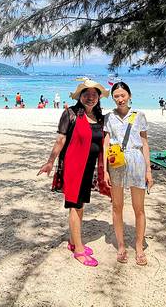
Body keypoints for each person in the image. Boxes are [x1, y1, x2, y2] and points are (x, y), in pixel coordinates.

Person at [37, 80, 111, 267]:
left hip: (89, 167)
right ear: (80, 96)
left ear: (98, 98)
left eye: (94, 95)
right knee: (75, 206)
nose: (90, 98)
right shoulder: (70, 113)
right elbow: (60, 140)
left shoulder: (98, 116)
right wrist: (50, 161)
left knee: (80, 205)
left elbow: (104, 142)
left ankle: (72, 241)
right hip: (74, 167)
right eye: (86, 94)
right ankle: (78, 250)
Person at [103, 82, 153, 266]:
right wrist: (104, 170)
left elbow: (145, 143)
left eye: (123, 95)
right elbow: (106, 144)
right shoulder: (109, 117)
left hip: (136, 160)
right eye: (116, 96)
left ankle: (139, 247)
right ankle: (121, 246)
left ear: (129, 95)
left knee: (138, 208)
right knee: (117, 207)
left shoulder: (139, 115)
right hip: (116, 162)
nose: (120, 99)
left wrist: (148, 170)